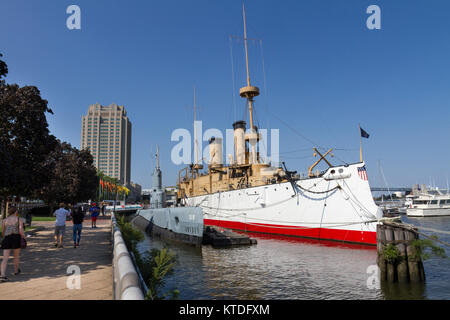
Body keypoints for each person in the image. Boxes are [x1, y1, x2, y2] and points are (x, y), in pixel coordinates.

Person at [1, 207, 25, 282]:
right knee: (16, 256)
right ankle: (15, 271)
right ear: (15, 212)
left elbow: (3, 232)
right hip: (16, 238)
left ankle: (2, 275)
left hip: (7, 238)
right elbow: (21, 230)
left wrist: (5, 238)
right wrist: (23, 237)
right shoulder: (19, 219)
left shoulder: (4, 220)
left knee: (5, 258)